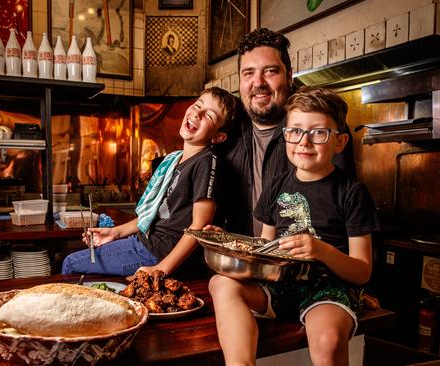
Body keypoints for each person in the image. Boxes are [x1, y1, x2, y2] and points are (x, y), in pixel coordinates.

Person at [208, 86, 378, 366]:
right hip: (279, 285)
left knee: (327, 340)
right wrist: (227, 241)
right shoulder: (276, 186)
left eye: (319, 132)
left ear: (340, 142)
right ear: (286, 134)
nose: (304, 142)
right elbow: (266, 248)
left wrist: (321, 251)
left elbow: (362, 271)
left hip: (327, 290)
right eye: (295, 131)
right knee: (221, 283)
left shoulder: (352, 192)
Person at [62, 87, 236, 277]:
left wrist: (161, 269)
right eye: (197, 105)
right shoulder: (174, 160)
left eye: (209, 116)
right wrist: (114, 233)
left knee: (71, 263)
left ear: (218, 137)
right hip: (145, 243)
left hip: (157, 252)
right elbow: (153, 215)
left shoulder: (206, 162)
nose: (198, 114)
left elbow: (199, 227)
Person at [215, 28, 355, 237]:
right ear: (240, 80)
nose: (259, 82)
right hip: (242, 262)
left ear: (289, 76)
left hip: (299, 265)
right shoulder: (228, 128)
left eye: (270, 71)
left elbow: (336, 215)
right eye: (249, 73)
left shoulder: (321, 133)